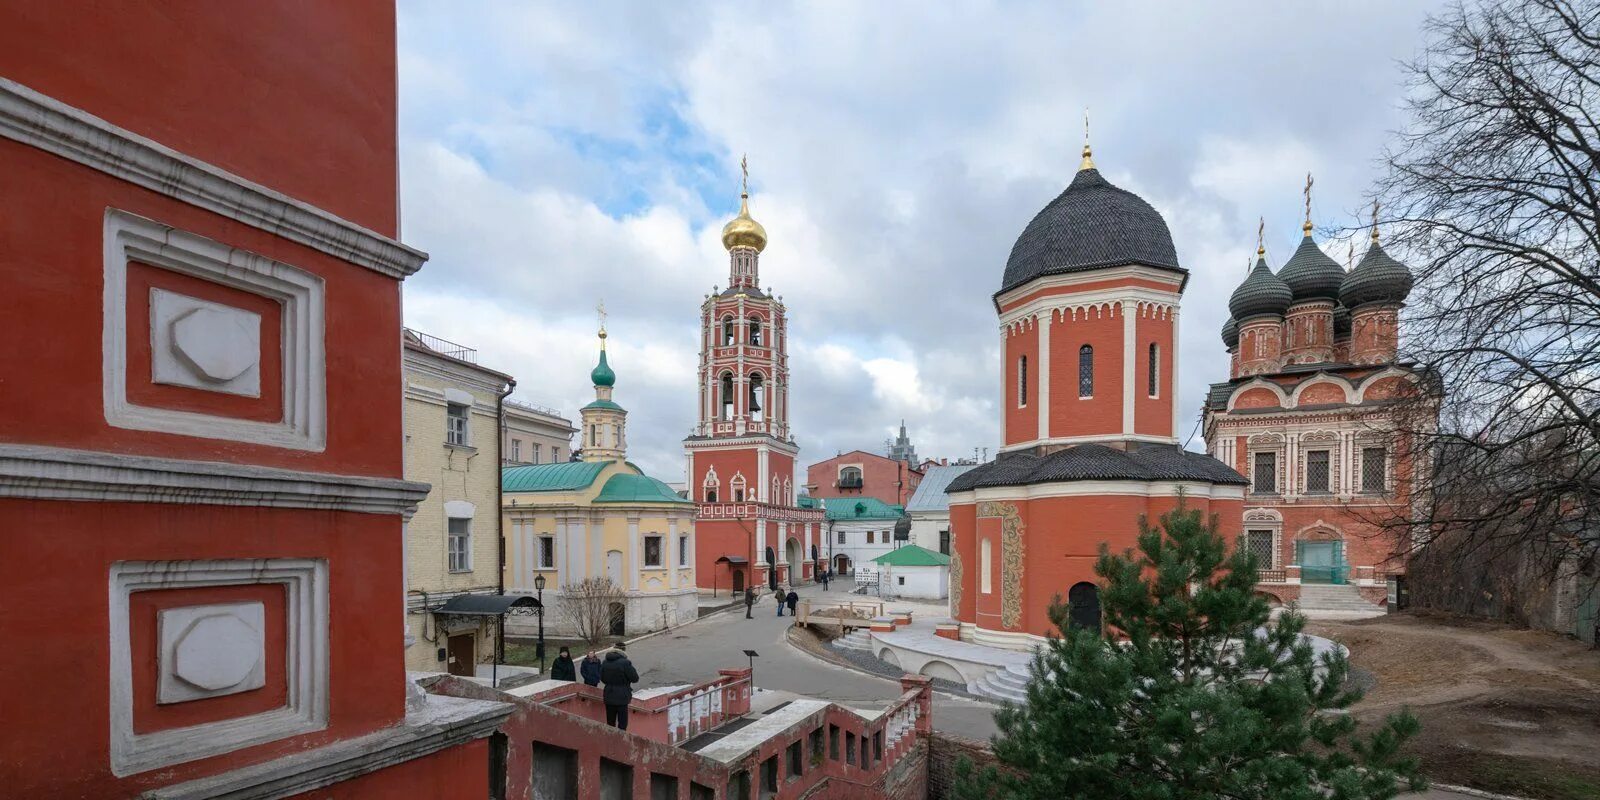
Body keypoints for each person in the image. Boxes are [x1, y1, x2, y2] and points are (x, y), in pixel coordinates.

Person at [599, 642, 639, 729]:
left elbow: (602, 678)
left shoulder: (605, 662)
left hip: (609, 694)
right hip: (622, 696)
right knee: (622, 724)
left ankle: (611, 740)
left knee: (610, 722)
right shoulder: (625, 663)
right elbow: (635, 678)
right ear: (623, 650)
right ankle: (620, 741)